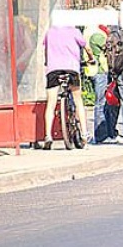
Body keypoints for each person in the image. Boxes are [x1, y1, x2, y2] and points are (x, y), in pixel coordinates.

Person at [42, 13, 93, 150]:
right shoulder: (74, 31)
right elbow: (87, 47)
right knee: (78, 101)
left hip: (53, 69)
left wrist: (47, 62)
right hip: (72, 68)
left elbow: (46, 49)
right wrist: (91, 58)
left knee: (51, 103)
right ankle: (84, 134)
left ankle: (48, 136)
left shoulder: (50, 32)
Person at [85, 23, 120, 144]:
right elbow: (111, 47)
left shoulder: (90, 32)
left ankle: (107, 133)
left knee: (105, 104)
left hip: (97, 71)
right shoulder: (97, 35)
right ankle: (101, 135)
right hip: (100, 71)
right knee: (101, 104)